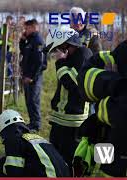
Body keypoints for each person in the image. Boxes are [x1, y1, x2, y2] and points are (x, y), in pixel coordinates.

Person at [73, 40, 127, 177]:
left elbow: (121, 114)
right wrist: (115, 82)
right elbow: (84, 79)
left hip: (115, 138)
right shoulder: (120, 53)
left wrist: (103, 106)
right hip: (108, 137)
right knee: (101, 171)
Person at [45, 26, 92, 170]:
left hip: (73, 121)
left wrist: (60, 62)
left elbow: (72, 83)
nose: (56, 53)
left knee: (69, 161)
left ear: (65, 44)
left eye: (57, 49)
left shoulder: (83, 54)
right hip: (61, 118)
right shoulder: (71, 56)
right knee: (55, 157)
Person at [0, 109, 70, 177]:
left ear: (5, 132)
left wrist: (2, 168)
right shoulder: (37, 138)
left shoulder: (13, 140)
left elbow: (13, 172)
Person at [19, 19, 46, 132]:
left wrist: (31, 77)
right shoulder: (30, 40)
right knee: (29, 100)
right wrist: (22, 40)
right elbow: (24, 52)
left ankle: (36, 125)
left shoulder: (38, 41)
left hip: (34, 77)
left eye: (27, 28)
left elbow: (39, 62)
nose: (25, 30)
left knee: (34, 101)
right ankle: (32, 122)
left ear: (34, 27)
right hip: (27, 76)